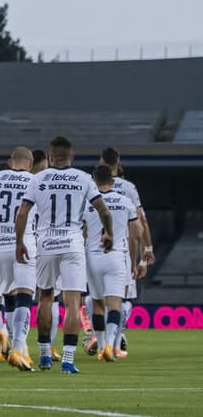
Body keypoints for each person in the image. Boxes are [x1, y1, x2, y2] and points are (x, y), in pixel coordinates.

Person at [15, 135, 112, 374]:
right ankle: (68, 360)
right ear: (72, 156)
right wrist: (107, 233)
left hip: (46, 243)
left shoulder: (38, 179)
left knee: (46, 297)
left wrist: (20, 242)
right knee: (72, 303)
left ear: (50, 157)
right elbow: (103, 210)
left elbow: (22, 212)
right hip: (72, 243)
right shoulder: (83, 178)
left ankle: (45, 356)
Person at [0, 146, 39, 370]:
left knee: (8, 298)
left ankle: (19, 348)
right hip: (24, 242)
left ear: (9, 161)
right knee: (25, 296)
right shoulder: (35, 180)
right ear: (31, 162)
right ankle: (18, 348)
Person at [98, 147, 152, 357]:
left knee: (95, 298)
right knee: (122, 299)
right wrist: (146, 252)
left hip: (94, 250)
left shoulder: (91, 188)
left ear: (100, 163)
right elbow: (140, 223)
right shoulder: (128, 188)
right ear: (118, 162)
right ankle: (116, 338)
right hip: (122, 251)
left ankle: (97, 336)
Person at [84, 164, 140, 362]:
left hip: (93, 256)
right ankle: (110, 344)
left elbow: (83, 232)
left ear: (93, 180)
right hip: (117, 255)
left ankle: (100, 347)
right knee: (115, 304)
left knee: (97, 303)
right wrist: (134, 262)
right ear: (113, 181)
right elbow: (136, 234)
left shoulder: (87, 202)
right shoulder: (125, 201)